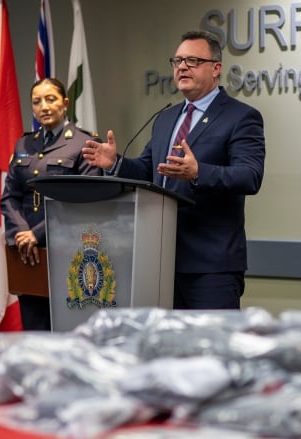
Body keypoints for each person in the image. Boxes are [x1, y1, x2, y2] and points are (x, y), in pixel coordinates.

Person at [82, 30, 265, 310]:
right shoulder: (166, 117)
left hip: (211, 267)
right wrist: (116, 163)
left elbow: (250, 176)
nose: (182, 67)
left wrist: (198, 172)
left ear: (216, 68)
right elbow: (147, 171)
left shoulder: (241, 116)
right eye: (177, 60)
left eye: (192, 60)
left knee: (209, 351)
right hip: (160, 261)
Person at [0, 77, 102, 331]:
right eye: (36, 102)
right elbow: (10, 197)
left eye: (50, 99)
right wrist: (22, 234)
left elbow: (84, 202)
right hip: (28, 254)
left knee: (69, 330)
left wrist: (36, 234)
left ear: (65, 103)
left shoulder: (85, 143)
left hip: (68, 251)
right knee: (34, 330)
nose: (43, 107)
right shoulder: (24, 144)